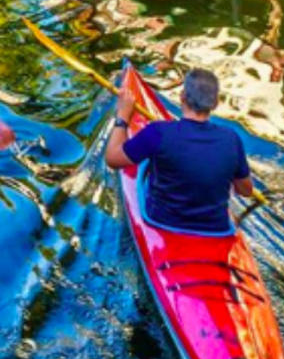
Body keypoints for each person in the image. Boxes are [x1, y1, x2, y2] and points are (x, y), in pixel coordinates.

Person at [105, 67, 254, 234]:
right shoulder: (232, 139)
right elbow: (246, 191)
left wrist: (123, 117)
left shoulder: (158, 132)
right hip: (216, 228)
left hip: (163, 221)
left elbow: (113, 159)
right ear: (215, 103)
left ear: (182, 97)